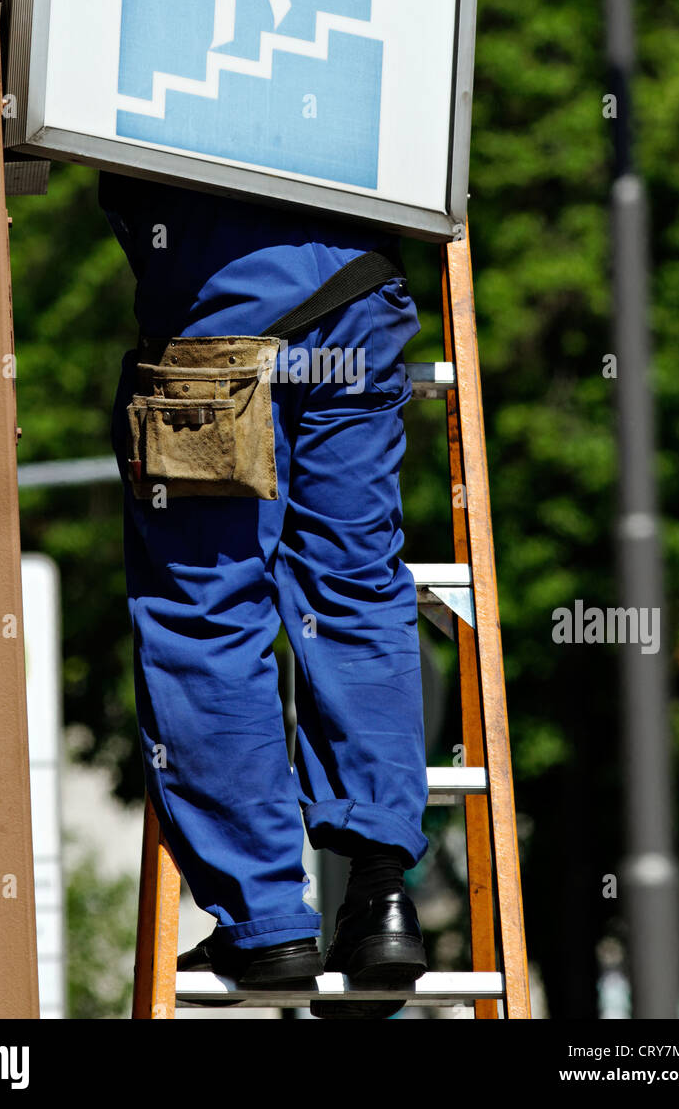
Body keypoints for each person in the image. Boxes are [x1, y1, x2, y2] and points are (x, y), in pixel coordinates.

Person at [100, 172, 430, 1019]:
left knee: (204, 616)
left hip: (220, 323)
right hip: (359, 308)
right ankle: (383, 896)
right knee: (355, 588)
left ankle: (267, 920)